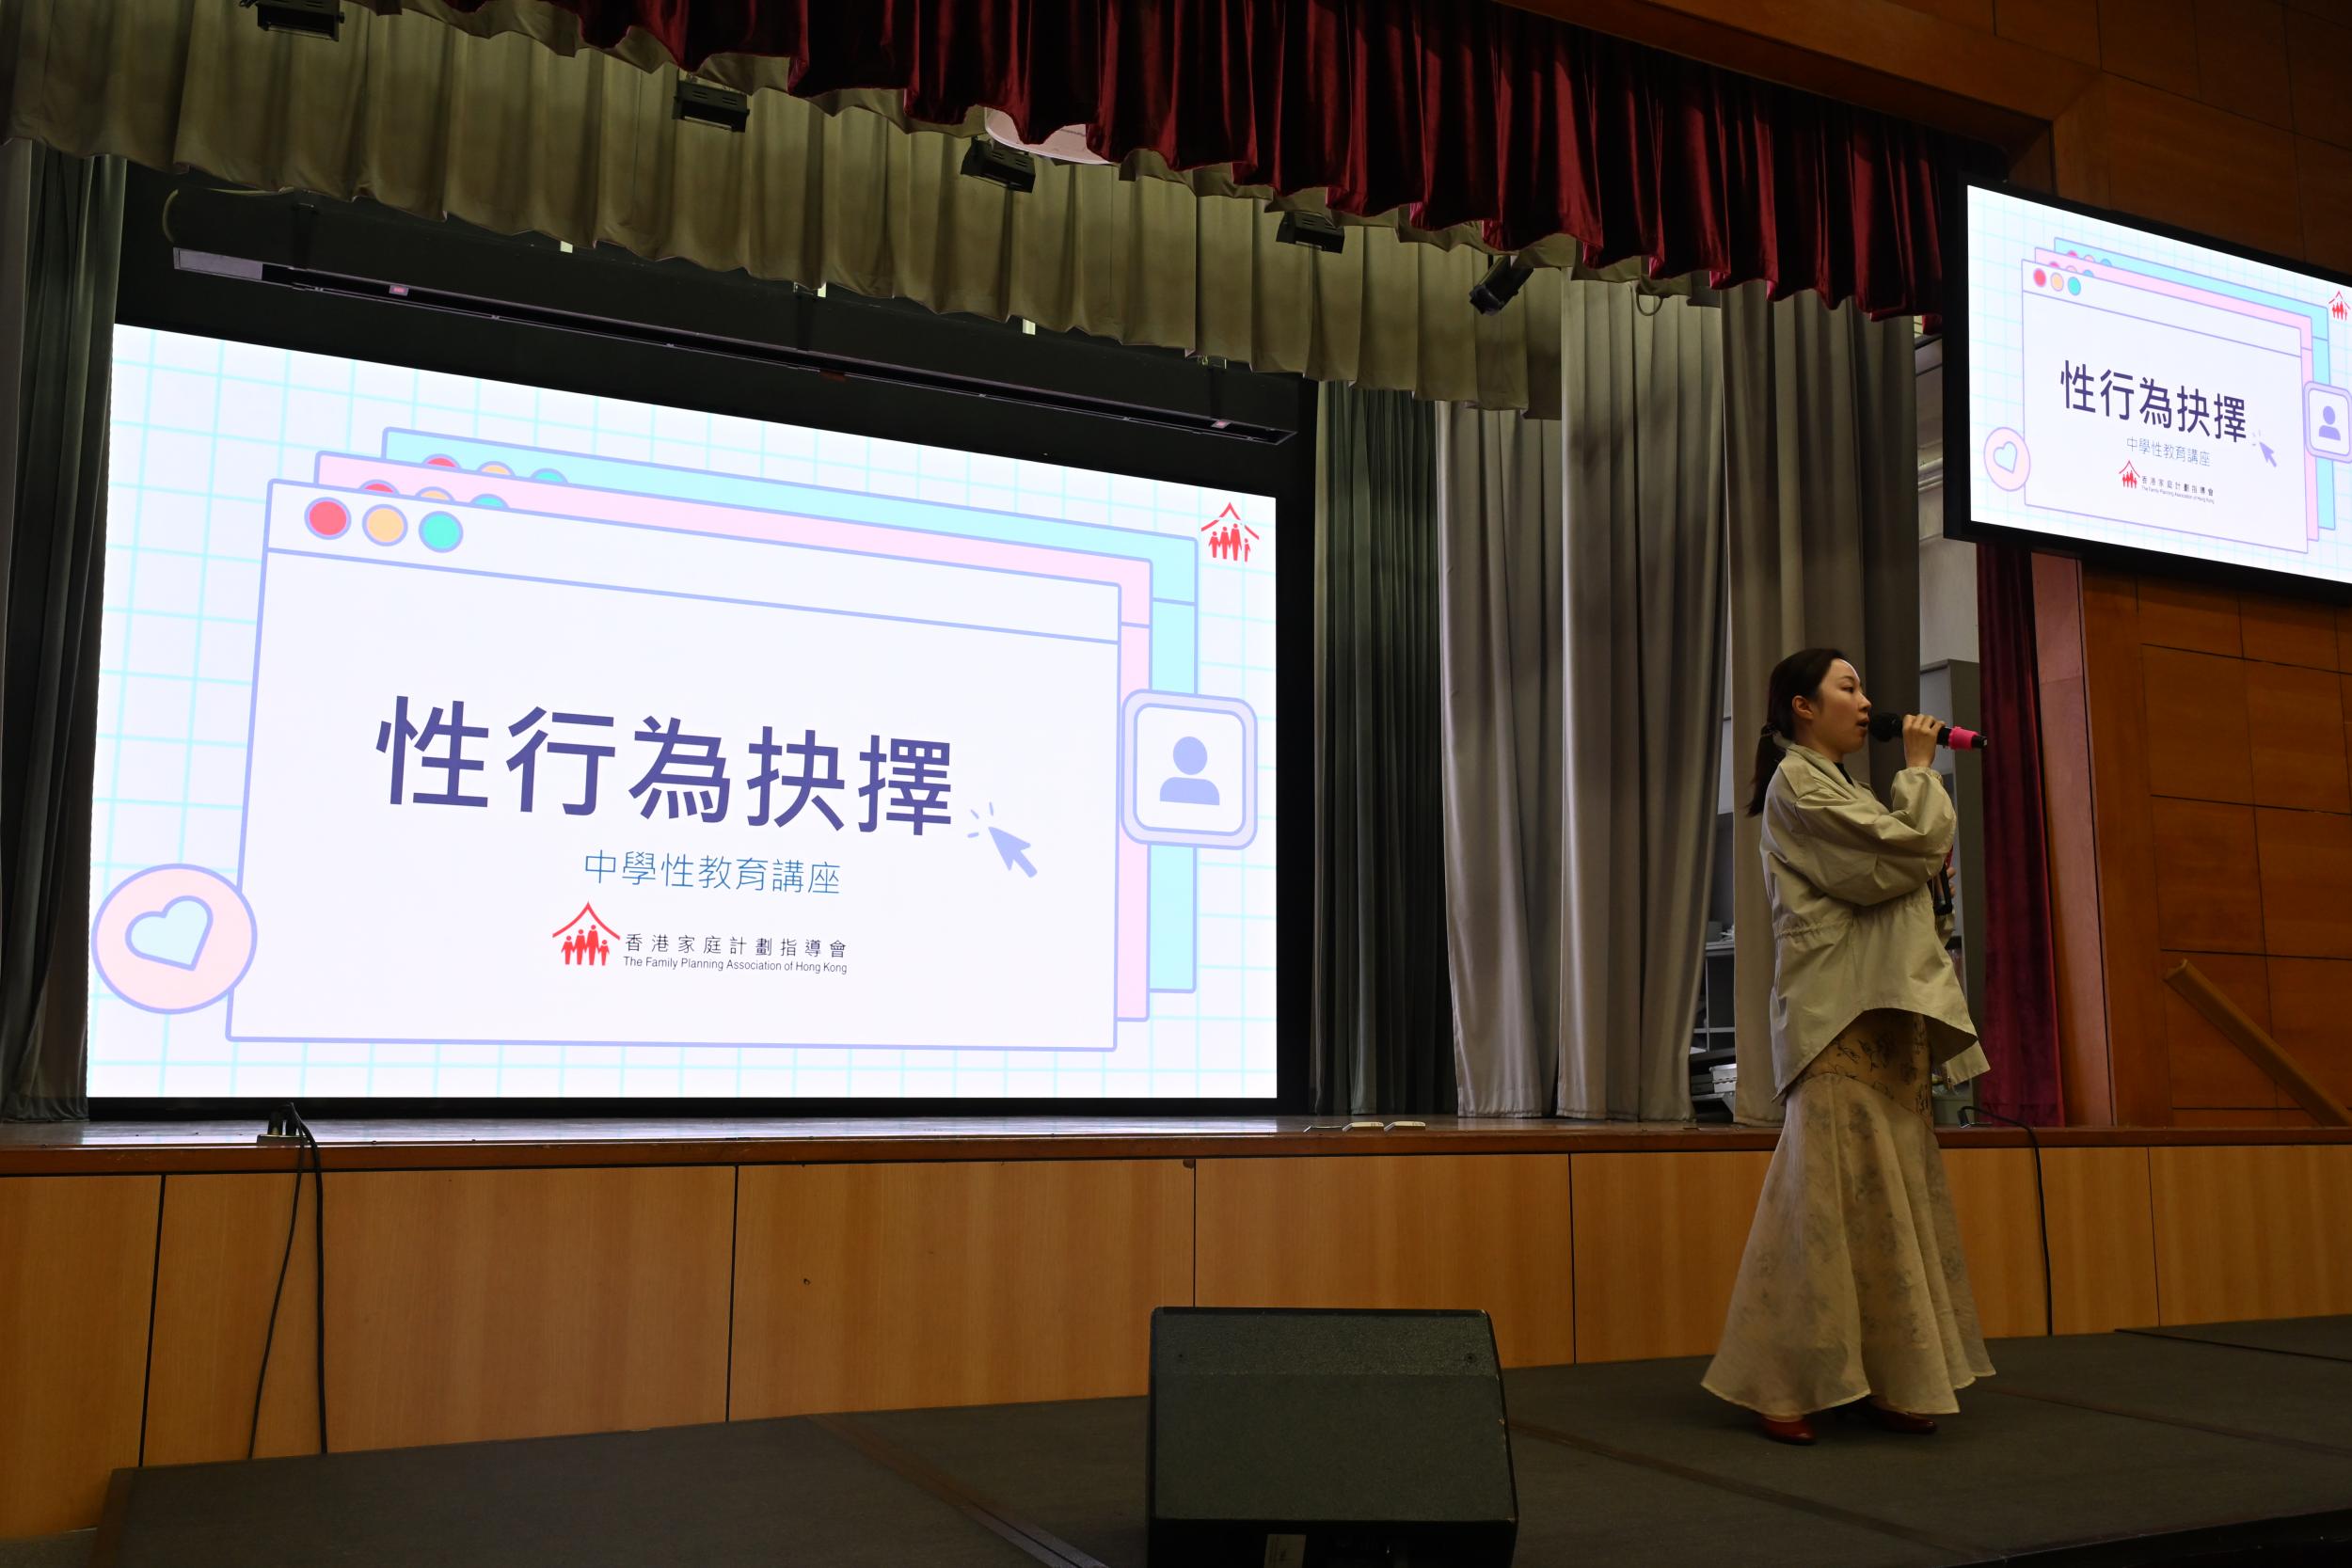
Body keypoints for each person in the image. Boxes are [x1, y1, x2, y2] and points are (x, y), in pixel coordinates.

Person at [1701, 647, 1994, 1446]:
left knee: (1887, 1200)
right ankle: (1781, 1380)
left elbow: (1911, 873)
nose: (1866, 702)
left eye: (1864, 687)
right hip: (1837, 1014)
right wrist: (1921, 772)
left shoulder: (1846, 786)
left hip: (1884, 1012)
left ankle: (1889, 1375)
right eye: (1848, 687)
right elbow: (1899, 855)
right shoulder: (1797, 783)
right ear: (1803, 706)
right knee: (1821, 1202)